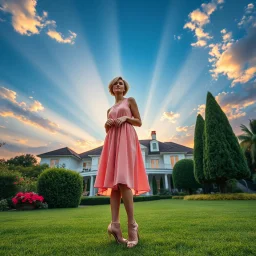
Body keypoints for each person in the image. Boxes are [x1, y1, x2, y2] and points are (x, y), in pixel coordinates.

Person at [94, 76, 150, 248]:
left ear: (124, 88)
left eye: (121, 83)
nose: (118, 85)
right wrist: (107, 124)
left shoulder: (130, 101)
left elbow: (139, 122)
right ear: (111, 88)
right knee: (114, 184)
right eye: (115, 84)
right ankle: (115, 225)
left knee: (124, 181)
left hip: (126, 139)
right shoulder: (109, 109)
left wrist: (126, 118)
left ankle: (132, 226)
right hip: (112, 142)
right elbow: (107, 130)